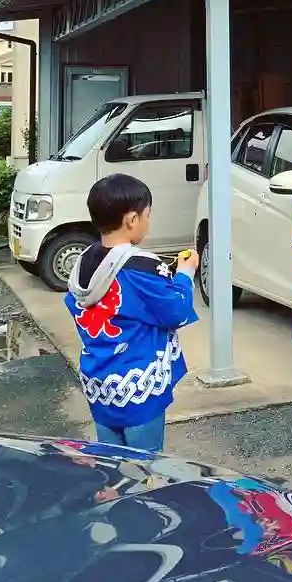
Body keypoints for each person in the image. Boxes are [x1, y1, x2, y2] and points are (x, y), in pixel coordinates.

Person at [65, 173, 199, 452]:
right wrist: (185, 273)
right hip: (137, 386)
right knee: (143, 465)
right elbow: (176, 310)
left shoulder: (84, 262)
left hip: (99, 383)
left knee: (111, 462)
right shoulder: (141, 267)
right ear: (132, 219)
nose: (148, 222)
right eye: (148, 215)